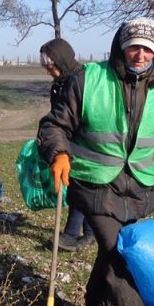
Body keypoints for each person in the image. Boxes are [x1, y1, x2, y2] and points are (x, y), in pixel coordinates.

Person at [37, 17, 154, 306]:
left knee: (109, 257)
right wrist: (58, 152)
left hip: (137, 187)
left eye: (147, 48)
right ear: (121, 47)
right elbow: (54, 125)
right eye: (133, 46)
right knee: (121, 254)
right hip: (92, 184)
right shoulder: (90, 78)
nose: (139, 54)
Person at [37, 38, 94, 252]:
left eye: (52, 68)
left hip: (85, 142)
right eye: (47, 69)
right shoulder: (60, 83)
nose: (50, 72)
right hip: (68, 141)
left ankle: (72, 235)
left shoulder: (81, 80)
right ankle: (89, 234)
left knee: (79, 189)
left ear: (61, 62)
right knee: (80, 188)